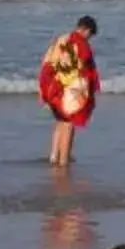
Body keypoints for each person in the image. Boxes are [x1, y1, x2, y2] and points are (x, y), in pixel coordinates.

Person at [40, 15, 100, 168]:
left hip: (51, 86)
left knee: (60, 121)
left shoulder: (62, 38)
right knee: (68, 123)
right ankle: (64, 160)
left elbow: (48, 60)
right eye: (90, 35)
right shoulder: (81, 45)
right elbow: (81, 69)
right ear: (85, 29)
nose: (89, 39)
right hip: (66, 88)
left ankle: (54, 155)